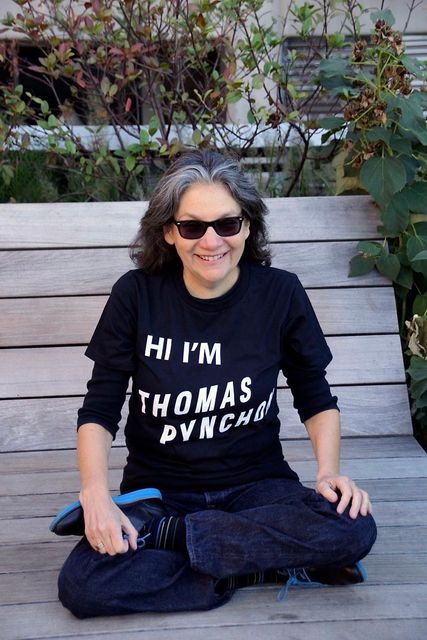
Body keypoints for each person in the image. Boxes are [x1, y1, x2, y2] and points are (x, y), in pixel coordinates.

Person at [57, 149, 376, 619]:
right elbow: (100, 408)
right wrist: (96, 495)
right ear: (169, 231)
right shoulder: (136, 295)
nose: (211, 241)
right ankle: (259, 563)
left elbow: (315, 395)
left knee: (352, 527)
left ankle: (178, 545)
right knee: (82, 584)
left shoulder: (280, 293)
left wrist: (328, 473)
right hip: (162, 495)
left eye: (227, 224)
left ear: (247, 226)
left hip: (258, 488)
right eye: (192, 227)